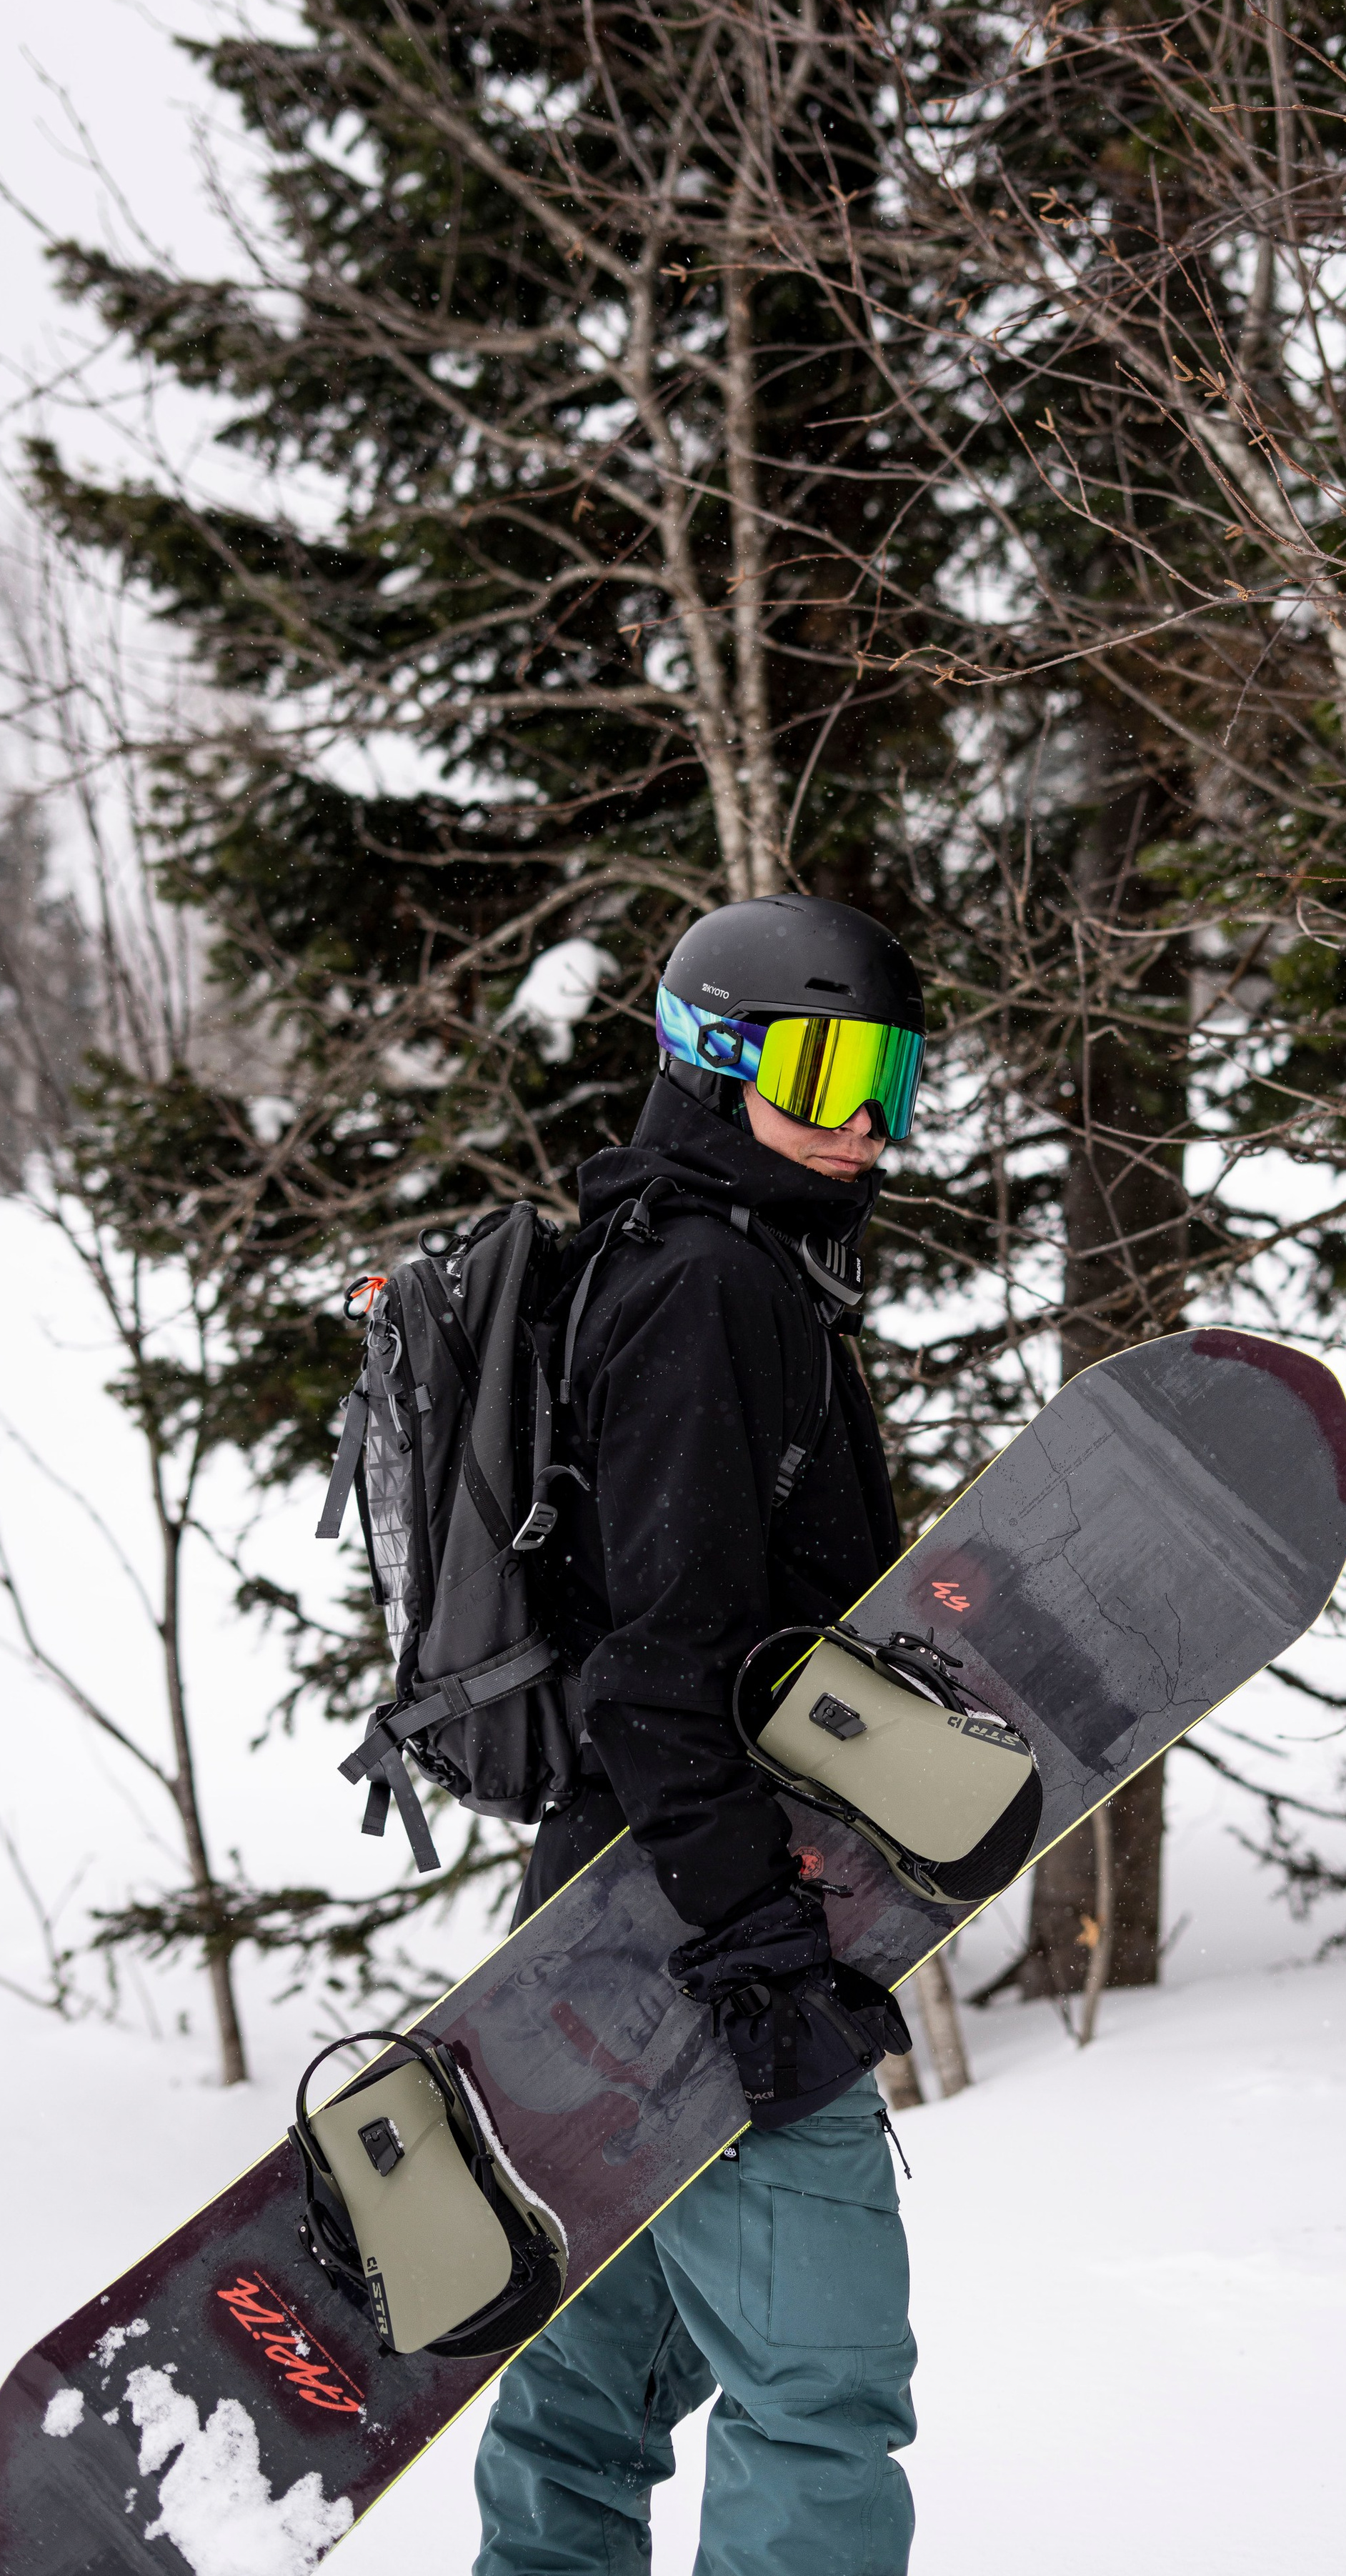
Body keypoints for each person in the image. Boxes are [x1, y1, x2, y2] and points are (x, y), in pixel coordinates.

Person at [474, 892, 927, 2576]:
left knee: (593, 2387)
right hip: (698, 1925)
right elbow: (660, 1670)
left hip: (602, 1911)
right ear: (712, 1063)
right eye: (820, 1074)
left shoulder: (678, 1260)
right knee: (819, 2388)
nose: (864, 1125)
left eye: (888, 1078)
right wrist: (757, 1949)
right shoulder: (711, 1290)